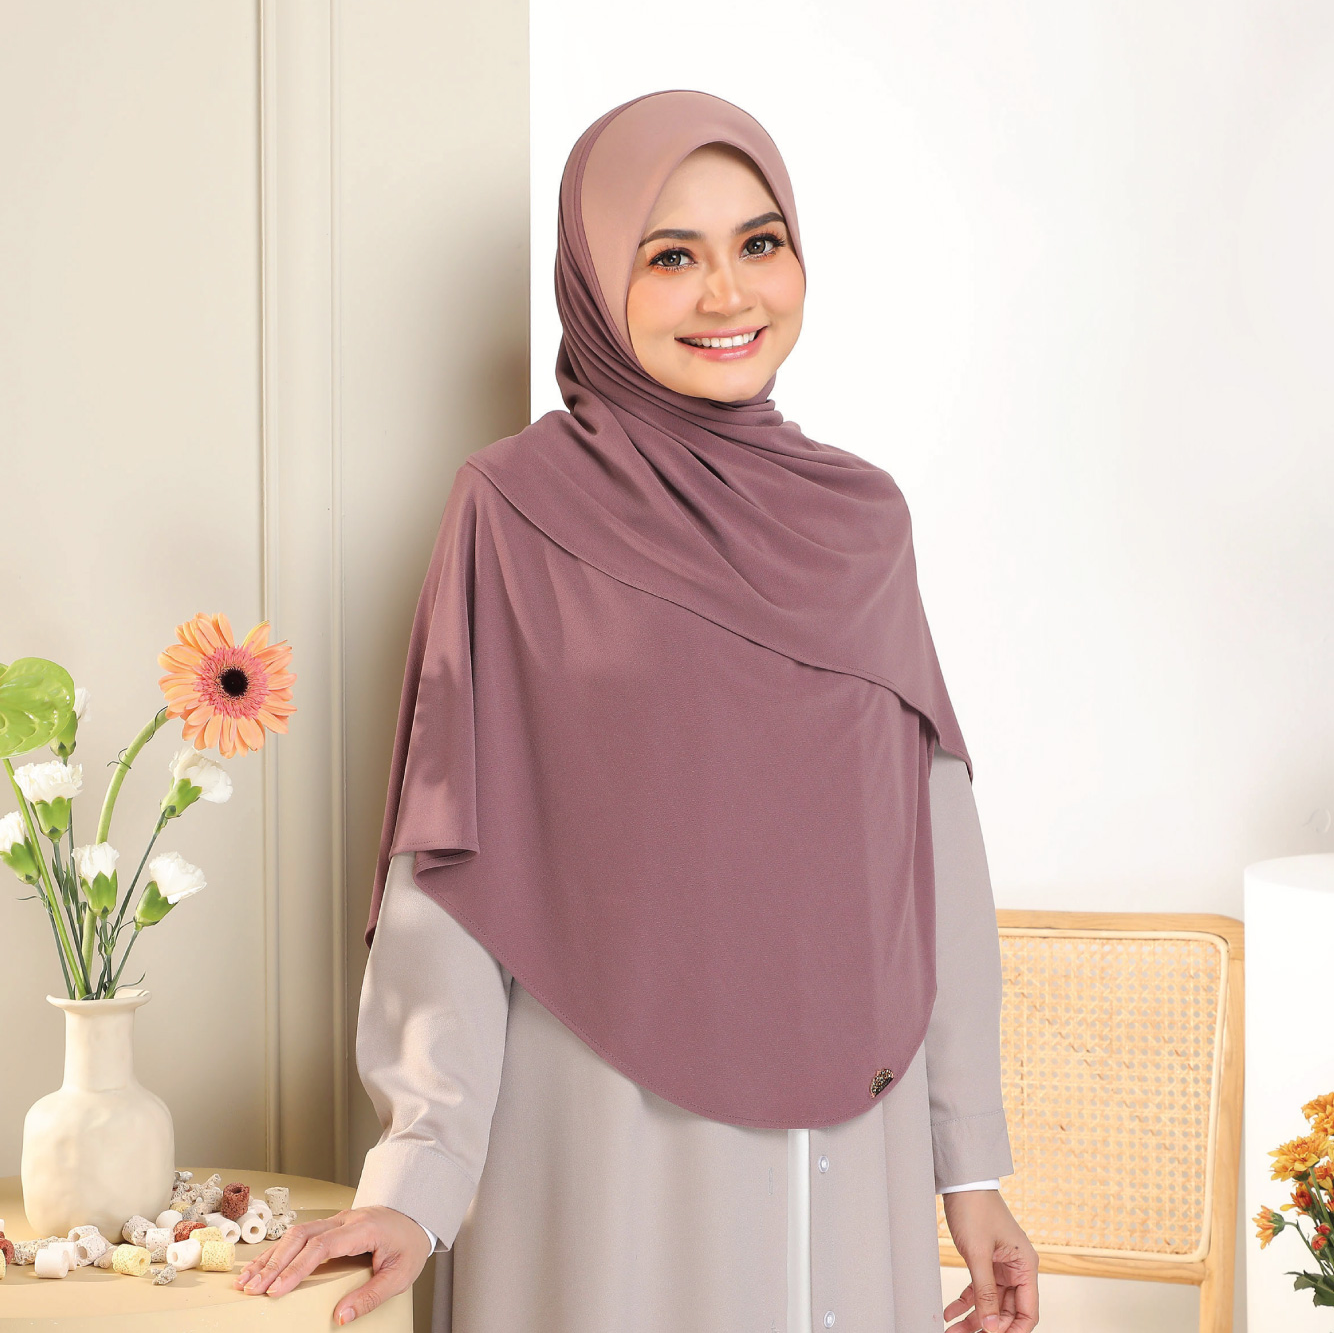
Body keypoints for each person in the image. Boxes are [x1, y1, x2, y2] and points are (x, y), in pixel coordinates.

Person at [233, 89, 1039, 1332]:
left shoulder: (861, 524)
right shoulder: (515, 510)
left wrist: (968, 1171)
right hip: (602, 1138)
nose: (727, 293)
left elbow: (927, 854)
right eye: (670, 256)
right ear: (596, 280)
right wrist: (417, 1177)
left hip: (842, 1154)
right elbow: (446, 860)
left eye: (758, 242)